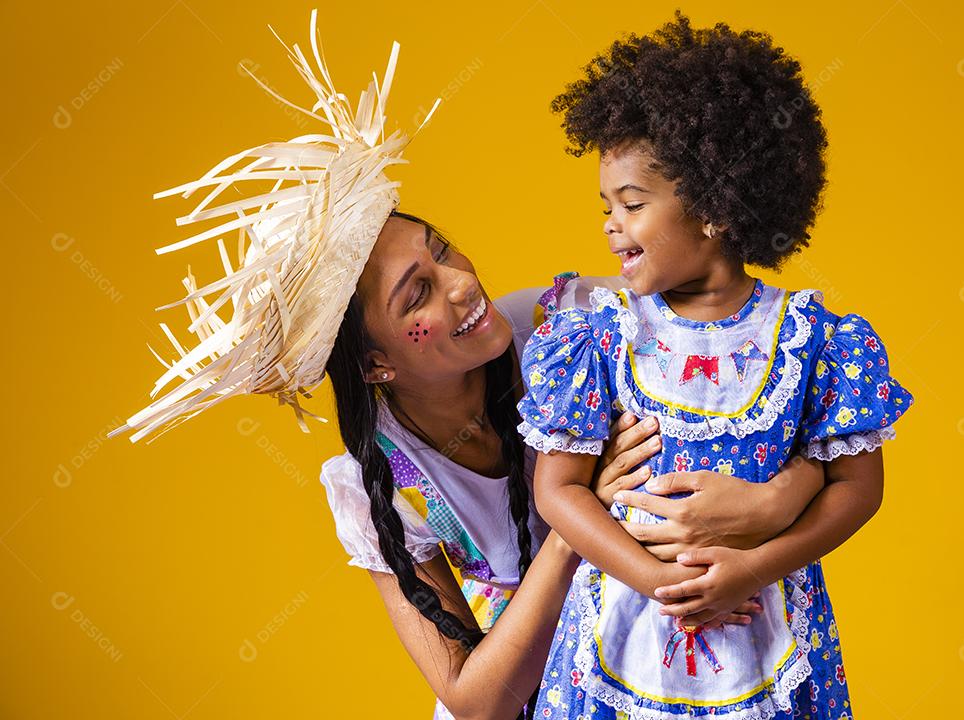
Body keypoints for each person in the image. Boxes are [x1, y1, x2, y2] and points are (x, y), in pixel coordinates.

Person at [108, 12, 827, 720]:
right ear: (374, 365)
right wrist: (586, 520)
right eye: (417, 293)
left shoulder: (571, 324)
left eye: (442, 250)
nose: (461, 284)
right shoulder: (383, 488)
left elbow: (751, 358)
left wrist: (779, 497)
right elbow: (475, 701)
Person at [517, 13, 914, 719]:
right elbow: (558, 491)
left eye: (632, 204)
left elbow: (859, 488)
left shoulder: (814, 337)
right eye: (605, 205)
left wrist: (752, 570)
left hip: (770, 636)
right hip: (619, 630)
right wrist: (659, 582)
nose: (610, 223)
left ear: (715, 211)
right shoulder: (595, 335)